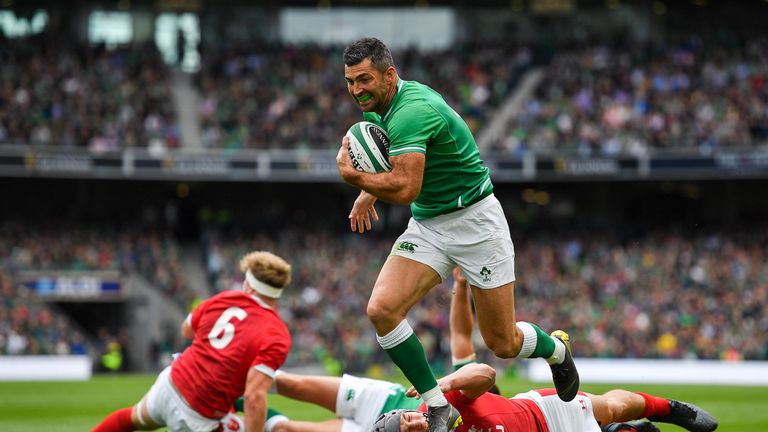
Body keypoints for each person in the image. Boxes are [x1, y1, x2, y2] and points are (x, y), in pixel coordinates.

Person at [336, 37, 578, 432]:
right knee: (381, 309)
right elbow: (400, 170)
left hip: (476, 224)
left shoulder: (412, 111)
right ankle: (438, 407)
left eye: (364, 79)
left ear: (389, 75)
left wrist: (354, 177)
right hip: (430, 224)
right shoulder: (382, 109)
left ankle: (556, 349)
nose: (356, 90)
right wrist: (368, 191)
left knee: (503, 343)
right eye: (350, 81)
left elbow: (405, 187)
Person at [92, 250, 293, 432]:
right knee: (276, 428)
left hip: (171, 382)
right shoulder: (277, 333)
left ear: (248, 285)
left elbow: (187, 330)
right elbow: (255, 397)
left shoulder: (223, 298)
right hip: (200, 416)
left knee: (131, 418)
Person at [373, 362, 719, 432]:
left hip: (542, 410)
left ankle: (669, 409)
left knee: (614, 407)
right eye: (409, 431)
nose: (415, 423)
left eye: (406, 419)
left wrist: (444, 383)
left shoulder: (437, 406)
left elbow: (487, 375)